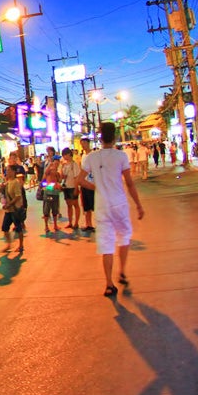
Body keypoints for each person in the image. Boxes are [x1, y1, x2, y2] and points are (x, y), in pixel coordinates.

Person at [78, 122, 144, 298]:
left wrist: (97, 187)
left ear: (100, 137)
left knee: (106, 244)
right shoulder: (120, 156)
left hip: (102, 206)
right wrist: (138, 204)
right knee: (124, 236)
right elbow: (129, 183)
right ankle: (122, 271)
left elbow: (80, 180)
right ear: (114, 137)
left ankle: (108, 284)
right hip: (119, 204)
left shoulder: (91, 157)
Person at [0, 165, 26, 253]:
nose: (7, 172)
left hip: (15, 209)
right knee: (5, 227)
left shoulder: (16, 182)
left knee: (18, 228)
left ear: (14, 172)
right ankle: (8, 244)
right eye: (7, 170)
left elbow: (18, 196)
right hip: (8, 210)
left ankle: (21, 245)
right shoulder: (7, 182)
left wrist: (9, 204)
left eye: (9, 170)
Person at [77, 137, 96, 235]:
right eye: (81, 143)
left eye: (84, 143)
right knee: (86, 205)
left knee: (94, 204)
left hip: (92, 182)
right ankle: (88, 224)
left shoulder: (93, 155)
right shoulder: (83, 156)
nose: (83, 145)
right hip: (84, 182)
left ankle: (94, 224)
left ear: (88, 143)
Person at [60, 147, 82, 232]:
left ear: (69, 154)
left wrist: (77, 188)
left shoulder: (74, 164)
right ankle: (70, 222)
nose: (65, 156)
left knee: (75, 205)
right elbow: (62, 177)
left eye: (66, 154)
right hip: (66, 187)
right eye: (63, 155)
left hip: (73, 187)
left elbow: (77, 177)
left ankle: (76, 222)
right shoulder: (64, 165)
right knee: (69, 205)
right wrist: (62, 168)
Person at [41, 155, 62, 234]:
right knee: (47, 209)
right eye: (56, 162)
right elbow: (44, 180)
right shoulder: (49, 169)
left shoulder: (58, 171)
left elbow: (59, 180)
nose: (57, 164)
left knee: (55, 209)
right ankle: (46, 226)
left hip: (55, 193)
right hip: (49, 192)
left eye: (58, 162)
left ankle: (55, 225)